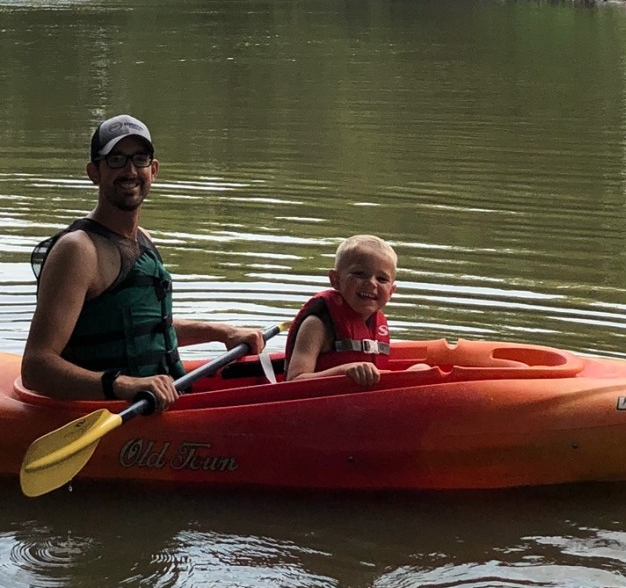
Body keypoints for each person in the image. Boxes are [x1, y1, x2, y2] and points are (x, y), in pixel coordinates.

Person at [22, 114, 264, 410]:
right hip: (116, 412)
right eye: (116, 160)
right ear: (94, 172)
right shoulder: (78, 250)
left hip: (165, 401)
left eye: (140, 159)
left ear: (154, 169)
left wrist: (223, 333)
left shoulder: (144, 239)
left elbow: (147, 328)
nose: (130, 170)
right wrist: (124, 385)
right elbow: (36, 367)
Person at [283, 234, 397, 386]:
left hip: (360, 404)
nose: (371, 283)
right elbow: (294, 380)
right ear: (335, 280)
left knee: (421, 368)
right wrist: (344, 371)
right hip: (319, 404)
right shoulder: (317, 325)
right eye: (359, 274)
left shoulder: (377, 323)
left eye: (382, 279)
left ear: (391, 292)